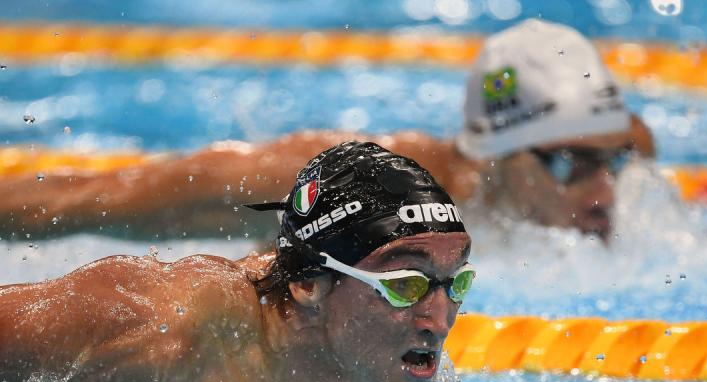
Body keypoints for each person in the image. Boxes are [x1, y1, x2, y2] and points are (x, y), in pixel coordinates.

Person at [0, 19, 654, 242]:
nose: (604, 193)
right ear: (496, 157)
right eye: (571, 165)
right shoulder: (363, 185)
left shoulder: (616, 149)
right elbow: (82, 198)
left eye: (615, 161)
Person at [0, 142, 475, 382]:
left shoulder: (373, 356)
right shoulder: (164, 325)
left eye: (456, 283)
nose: (440, 320)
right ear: (309, 282)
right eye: (403, 285)